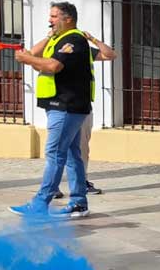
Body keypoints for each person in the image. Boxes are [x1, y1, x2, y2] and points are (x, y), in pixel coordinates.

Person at [9, 1, 95, 220]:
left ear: (68, 19)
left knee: (54, 153)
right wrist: (34, 53)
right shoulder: (57, 40)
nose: (50, 20)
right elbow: (35, 57)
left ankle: (40, 202)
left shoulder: (74, 40)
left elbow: (53, 66)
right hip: (62, 106)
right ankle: (78, 202)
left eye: (54, 17)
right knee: (71, 155)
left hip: (67, 106)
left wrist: (29, 59)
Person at [37, 30, 116, 198]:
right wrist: (49, 37)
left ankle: (80, 186)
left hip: (81, 105)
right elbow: (32, 53)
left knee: (79, 148)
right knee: (58, 149)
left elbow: (110, 54)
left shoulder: (82, 49)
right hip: (60, 104)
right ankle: (53, 188)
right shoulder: (51, 47)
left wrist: (92, 38)